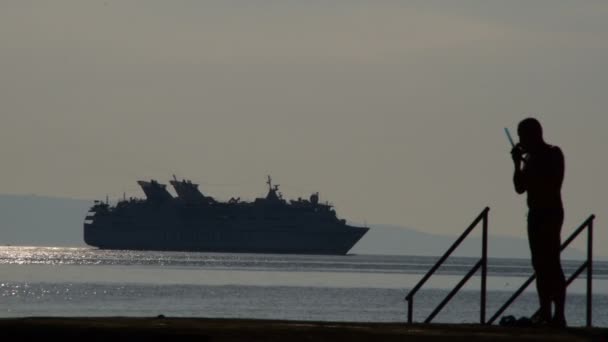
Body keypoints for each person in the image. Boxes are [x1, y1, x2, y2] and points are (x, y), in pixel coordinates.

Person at [511, 118, 567, 327]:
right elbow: (519, 187)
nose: (520, 140)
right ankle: (545, 311)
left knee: (552, 262)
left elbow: (551, 182)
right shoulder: (531, 158)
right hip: (535, 214)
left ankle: (558, 314)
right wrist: (518, 164)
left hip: (550, 213)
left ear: (533, 134)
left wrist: (528, 164)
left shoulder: (553, 153)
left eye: (522, 135)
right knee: (539, 264)